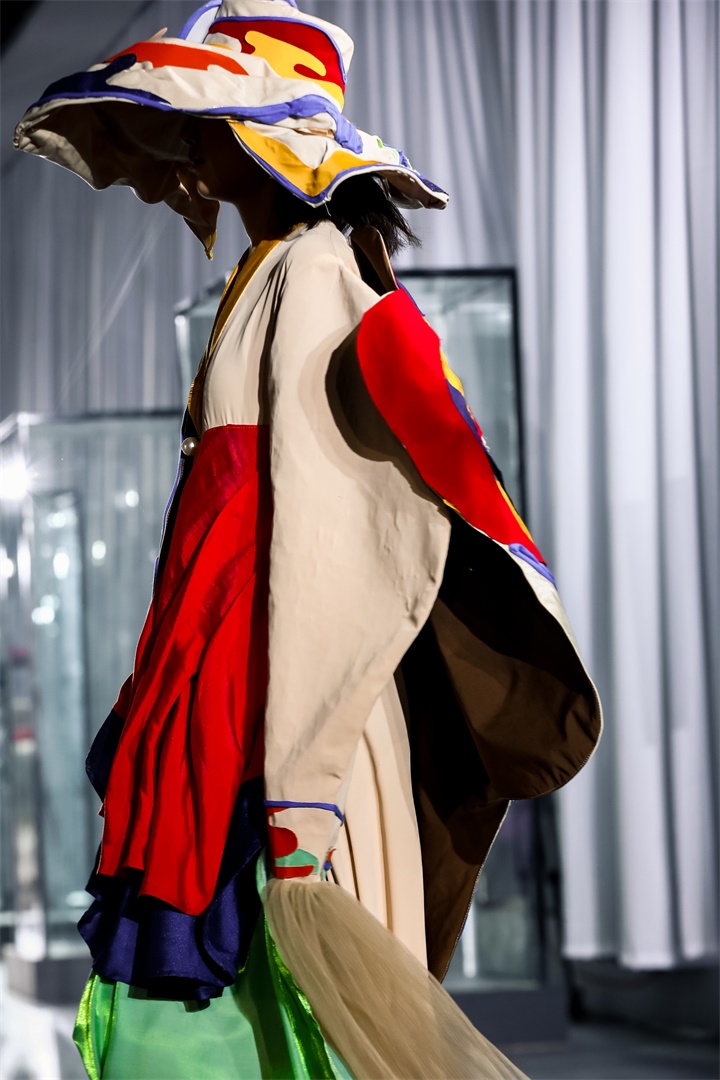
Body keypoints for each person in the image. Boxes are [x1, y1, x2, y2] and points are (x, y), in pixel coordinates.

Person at [15, 2, 602, 1077]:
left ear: (260, 138)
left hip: (288, 709)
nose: (177, 155)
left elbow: (337, 538)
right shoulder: (278, 272)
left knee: (288, 1025)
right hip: (237, 694)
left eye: (202, 124)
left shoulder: (316, 274)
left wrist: (301, 780)